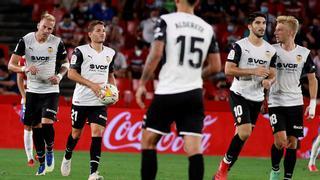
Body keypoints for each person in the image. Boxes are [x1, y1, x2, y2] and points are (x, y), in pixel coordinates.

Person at [135, 0, 221, 179]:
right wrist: (196, 75)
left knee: (148, 142)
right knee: (194, 149)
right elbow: (215, 66)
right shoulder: (207, 28)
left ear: (176, 0)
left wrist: (142, 83)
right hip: (194, 93)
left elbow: (156, 54)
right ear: (197, 2)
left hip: (168, 90)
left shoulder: (166, 20)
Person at [213, 12, 277, 180]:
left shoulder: (270, 50)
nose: (262, 26)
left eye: (264, 23)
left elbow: (273, 73)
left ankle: (221, 173)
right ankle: (223, 167)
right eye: (258, 23)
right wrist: (253, 71)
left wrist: (269, 82)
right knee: (245, 132)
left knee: (241, 137)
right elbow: (228, 70)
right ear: (250, 26)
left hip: (256, 99)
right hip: (239, 93)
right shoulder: (239, 46)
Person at [8, 13, 68, 175]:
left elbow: (66, 64)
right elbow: (11, 65)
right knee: (35, 128)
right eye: (44, 27)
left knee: (47, 123)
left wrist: (60, 76)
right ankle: (41, 161)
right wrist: (24, 68)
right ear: (38, 26)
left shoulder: (57, 42)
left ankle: (50, 150)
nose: (47, 31)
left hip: (50, 90)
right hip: (32, 91)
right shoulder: (26, 40)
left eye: (50, 28)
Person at [60, 20, 117, 180]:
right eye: (98, 30)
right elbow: (71, 74)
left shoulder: (110, 53)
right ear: (90, 34)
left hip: (99, 102)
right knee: (76, 134)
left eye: (103, 30)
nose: (102, 33)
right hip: (81, 100)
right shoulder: (80, 51)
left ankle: (93, 173)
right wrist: (92, 85)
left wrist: (114, 91)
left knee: (97, 133)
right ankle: (67, 155)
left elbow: (111, 74)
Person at [268, 16, 318, 180]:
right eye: (275, 28)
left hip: (295, 103)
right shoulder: (271, 49)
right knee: (280, 142)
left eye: (279, 29)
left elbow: (312, 79)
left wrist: (312, 103)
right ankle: (275, 170)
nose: (275, 31)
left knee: (292, 143)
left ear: (290, 32)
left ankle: (287, 178)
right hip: (276, 102)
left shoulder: (303, 53)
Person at [17, 56, 35, 167]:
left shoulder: (46, 56)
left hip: (43, 96)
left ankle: (40, 151)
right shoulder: (23, 59)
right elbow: (19, 78)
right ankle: (30, 157)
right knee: (28, 126)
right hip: (29, 96)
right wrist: (24, 96)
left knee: (43, 124)